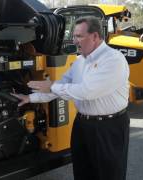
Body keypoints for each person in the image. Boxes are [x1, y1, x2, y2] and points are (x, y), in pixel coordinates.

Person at [13, 16, 130, 180]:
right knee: (82, 172)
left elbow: (87, 91)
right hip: (82, 125)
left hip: (108, 128)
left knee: (109, 174)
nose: (74, 41)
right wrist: (30, 98)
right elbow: (62, 85)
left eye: (79, 36)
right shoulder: (80, 61)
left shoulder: (114, 59)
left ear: (95, 36)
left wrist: (52, 86)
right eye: (74, 36)